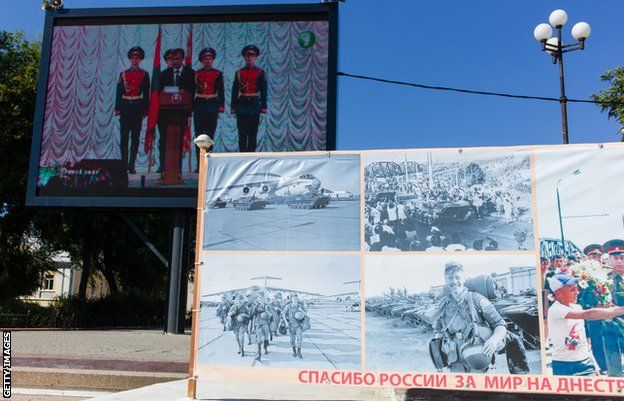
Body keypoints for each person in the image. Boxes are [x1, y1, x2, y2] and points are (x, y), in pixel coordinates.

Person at [431, 262, 529, 374]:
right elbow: (438, 333)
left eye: (457, 277)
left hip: (478, 354)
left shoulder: (477, 299)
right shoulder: (443, 304)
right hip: (455, 359)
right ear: (446, 280)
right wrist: (438, 360)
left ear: (463, 279)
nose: (454, 281)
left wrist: (493, 340)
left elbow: (500, 324)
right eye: (450, 278)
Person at [547, 273, 624, 376]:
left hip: (585, 363)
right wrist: (621, 310)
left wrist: (593, 364)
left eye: (577, 289)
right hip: (564, 366)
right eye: (572, 290)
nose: (577, 292)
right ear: (558, 293)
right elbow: (589, 314)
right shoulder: (556, 310)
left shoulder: (577, 307)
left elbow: (582, 339)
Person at [157, 48, 195, 174]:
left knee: (179, 140)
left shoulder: (190, 73)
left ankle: (177, 168)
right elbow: (160, 92)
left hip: (182, 113)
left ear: (183, 59)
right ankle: (163, 167)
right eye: (172, 59)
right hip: (166, 114)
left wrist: (185, 93)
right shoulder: (164, 73)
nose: (175, 61)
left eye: (177, 59)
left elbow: (192, 91)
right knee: (164, 140)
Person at [115, 46, 149, 175]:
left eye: (137, 58)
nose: (135, 60)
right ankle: (123, 164)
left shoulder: (144, 74)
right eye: (133, 58)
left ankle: (131, 165)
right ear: (130, 59)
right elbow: (118, 93)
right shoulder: (123, 74)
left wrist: (145, 110)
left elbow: (146, 93)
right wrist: (118, 108)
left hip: (137, 108)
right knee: (124, 138)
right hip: (125, 108)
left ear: (140, 59)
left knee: (135, 138)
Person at [231, 45, 267, 152]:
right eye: (248, 56)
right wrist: (233, 107)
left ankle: (251, 158)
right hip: (241, 106)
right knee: (242, 134)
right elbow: (235, 91)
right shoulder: (239, 72)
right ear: (244, 58)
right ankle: (242, 157)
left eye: (252, 56)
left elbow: (264, 91)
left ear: (255, 58)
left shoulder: (260, 72)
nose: (250, 58)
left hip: (254, 106)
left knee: (252, 134)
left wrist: (264, 107)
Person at [193, 47, 224, 171]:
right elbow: (193, 91)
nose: (208, 61)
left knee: (210, 134)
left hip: (212, 104)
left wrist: (221, 106)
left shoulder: (217, 74)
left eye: (210, 58)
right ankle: (199, 163)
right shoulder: (197, 74)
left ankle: (208, 162)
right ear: (202, 60)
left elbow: (221, 91)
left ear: (213, 60)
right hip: (199, 104)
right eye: (205, 58)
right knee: (199, 135)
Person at [581, 243, 608, 373]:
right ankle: (603, 366)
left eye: (599, 255)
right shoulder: (582, 274)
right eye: (593, 255)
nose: (596, 257)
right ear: (588, 257)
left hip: (611, 311)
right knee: (596, 339)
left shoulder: (608, 270)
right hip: (593, 311)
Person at [602, 239, 624, 377]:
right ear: (609, 260)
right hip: (610, 324)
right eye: (615, 258)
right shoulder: (602, 278)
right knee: (613, 361)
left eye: (622, 258)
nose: (619, 261)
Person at [282, 293, 309, 359]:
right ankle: (294, 351)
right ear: (292, 299)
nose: (295, 299)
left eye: (296, 298)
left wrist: (301, 310)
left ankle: (299, 352)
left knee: (299, 338)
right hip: (291, 325)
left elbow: (306, 315)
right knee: (292, 340)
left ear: (298, 299)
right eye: (294, 298)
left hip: (299, 325)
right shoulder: (288, 306)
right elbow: (283, 315)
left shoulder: (300, 306)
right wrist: (286, 323)